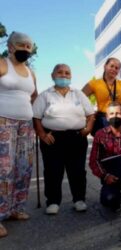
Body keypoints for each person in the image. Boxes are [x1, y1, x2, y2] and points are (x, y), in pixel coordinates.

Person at [33, 64, 95, 215]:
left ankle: (79, 200)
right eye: (60, 72)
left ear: (71, 76)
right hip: (53, 138)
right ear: (52, 76)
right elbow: (36, 117)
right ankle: (53, 202)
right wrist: (42, 134)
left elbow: (91, 114)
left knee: (78, 171)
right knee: (53, 171)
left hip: (76, 137)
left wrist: (88, 129)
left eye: (67, 73)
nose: (64, 75)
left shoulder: (78, 94)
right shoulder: (45, 95)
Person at [0, 31, 37, 238]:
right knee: (3, 169)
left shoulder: (31, 72)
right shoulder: (3, 64)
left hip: (26, 123)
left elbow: (34, 95)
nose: (25, 49)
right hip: (3, 120)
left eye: (28, 46)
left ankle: (15, 208)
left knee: (23, 166)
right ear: (11, 46)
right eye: (21, 45)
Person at [82, 57, 121, 135]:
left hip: (119, 119)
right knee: (102, 145)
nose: (114, 69)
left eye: (117, 68)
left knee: (120, 145)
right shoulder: (94, 83)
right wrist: (90, 113)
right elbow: (79, 98)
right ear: (105, 66)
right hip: (102, 120)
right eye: (111, 66)